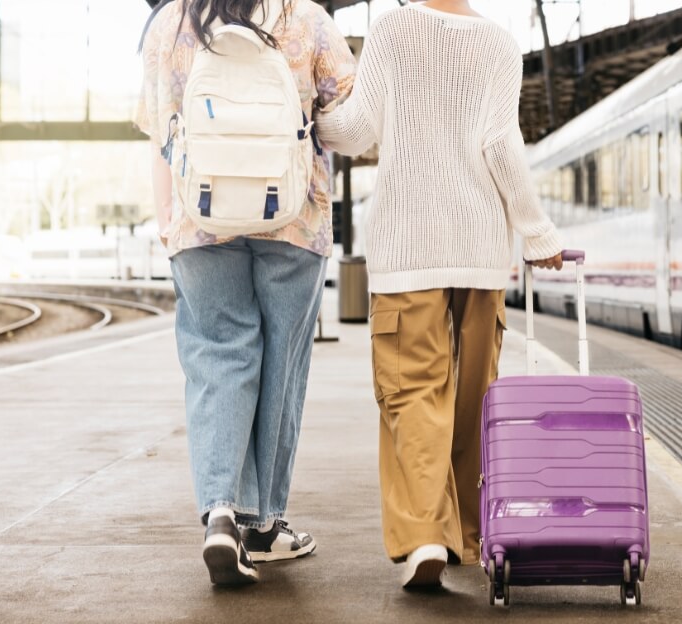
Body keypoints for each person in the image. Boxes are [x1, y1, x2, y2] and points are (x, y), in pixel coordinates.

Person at [315, 0, 563, 588]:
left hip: (408, 249)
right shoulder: (501, 44)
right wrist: (536, 231)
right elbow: (501, 144)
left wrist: (314, 118)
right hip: (479, 250)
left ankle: (427, 534)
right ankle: (472, 537)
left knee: (413, 391)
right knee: (477, 397)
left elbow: (357, 130)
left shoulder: (393, 28)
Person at [137, 0, 355, 586]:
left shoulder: (169, 23)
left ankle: (221, 515)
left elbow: (160, 131)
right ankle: (265, 527)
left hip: (200, 219)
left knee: (217, 357)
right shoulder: (307, 19)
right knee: (281, 362)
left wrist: (166, 218)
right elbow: (349, 119)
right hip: (292, 219)